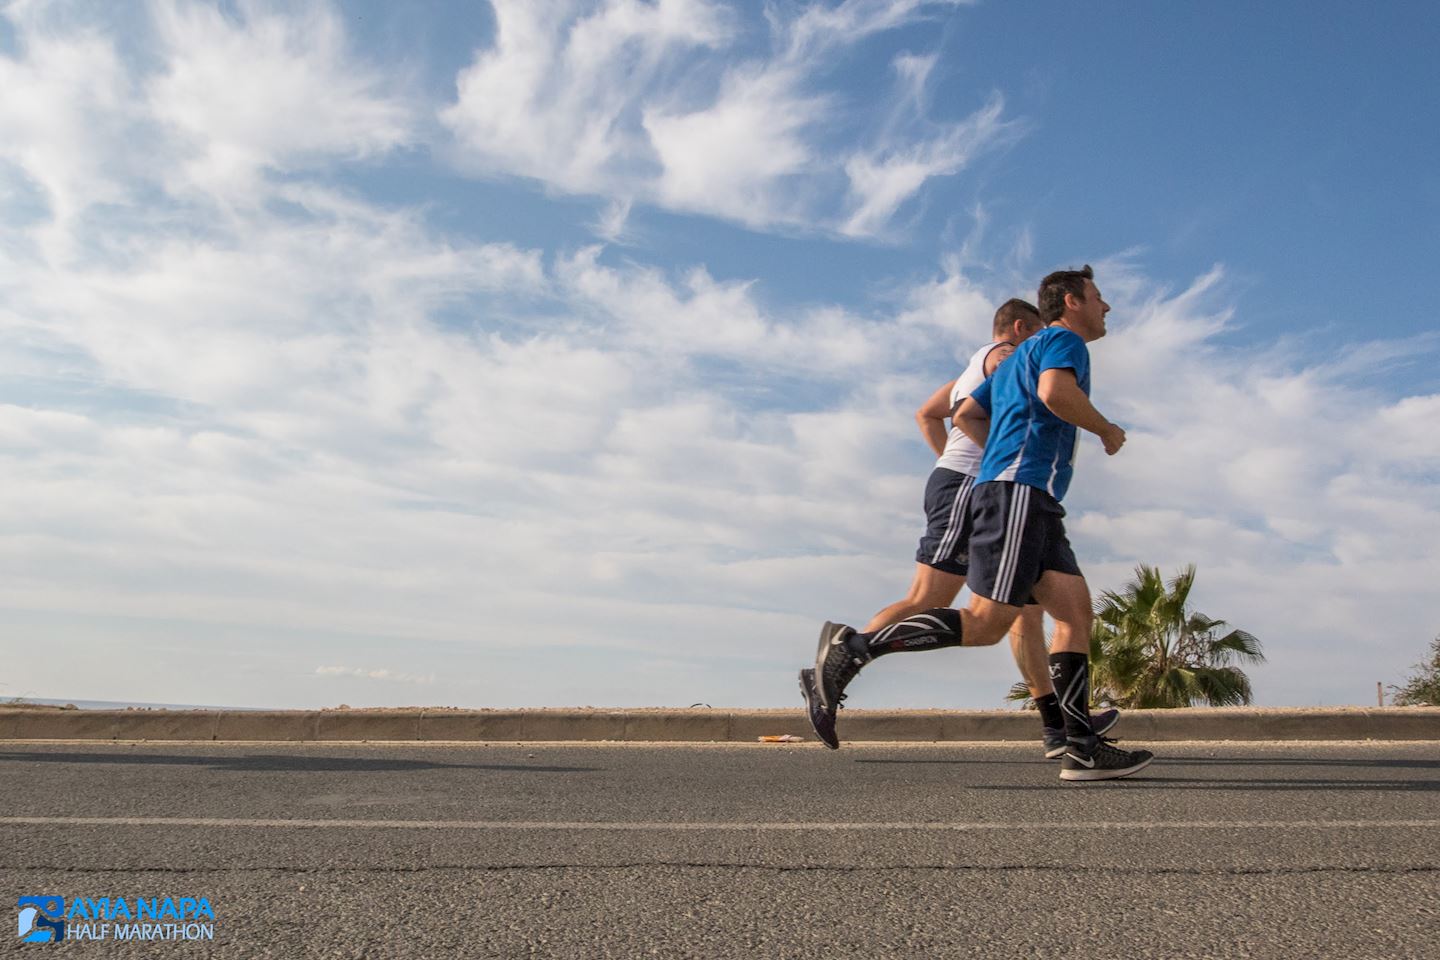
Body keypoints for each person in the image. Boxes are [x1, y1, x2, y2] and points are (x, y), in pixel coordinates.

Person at [801, 266, 1153, 781]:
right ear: (1072, 302)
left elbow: (964, 414)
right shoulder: (1063, 342)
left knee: (1075, 612)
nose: (1108, 307)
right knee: (988, 623)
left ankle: (1080, 745)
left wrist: (1006, 454)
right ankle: (855, 648)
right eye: (1100, 297)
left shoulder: (1014, 361)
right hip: (1018, 495)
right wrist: (1104, 429)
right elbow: (1056, 395)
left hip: (1032, 497)